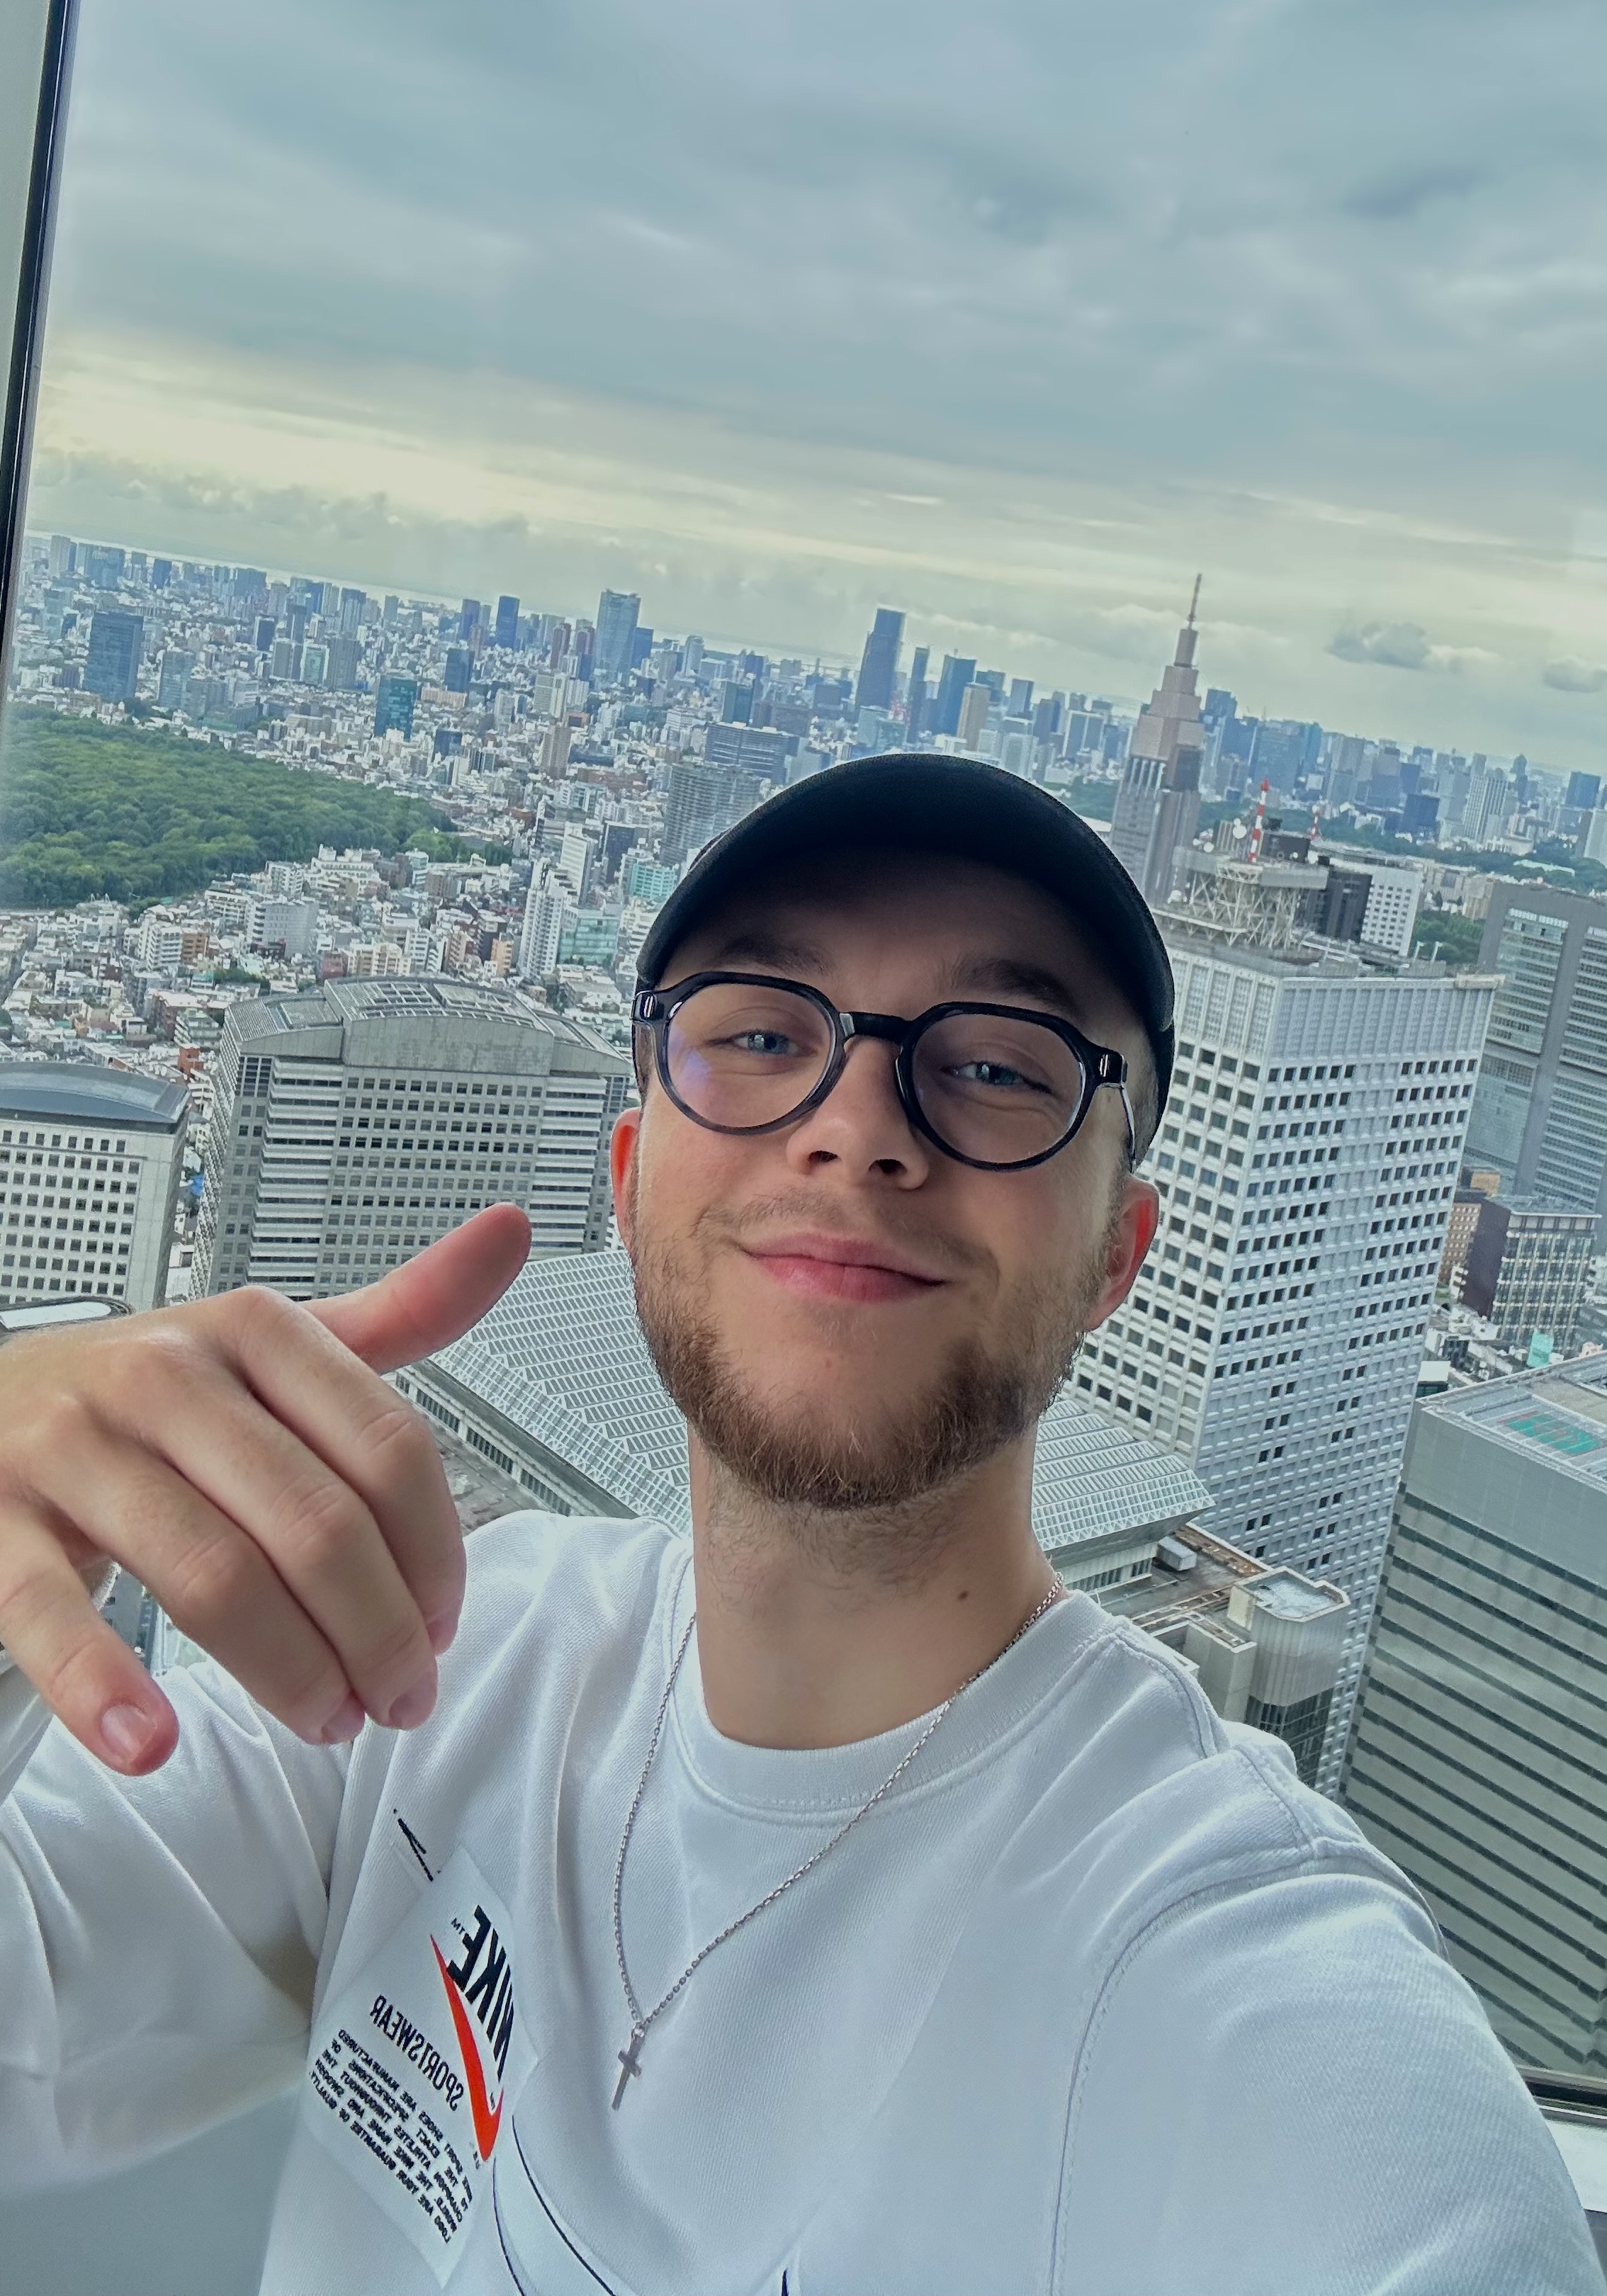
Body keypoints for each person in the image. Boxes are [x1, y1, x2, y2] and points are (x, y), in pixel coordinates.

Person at [0, 754, 1596, 2295]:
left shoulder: (1226, 1973)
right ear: (632, 1177)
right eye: (762, 1033)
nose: (857, 1127)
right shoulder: (443, 1665)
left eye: (997, 1066)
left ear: (1117, 1253)